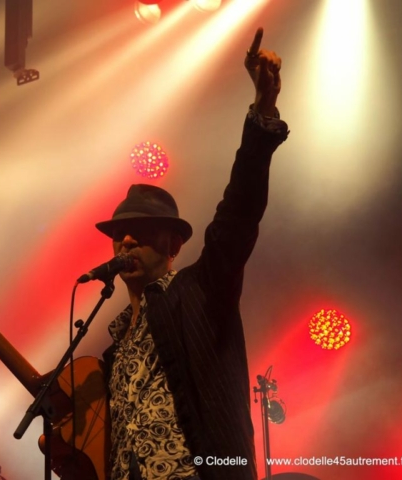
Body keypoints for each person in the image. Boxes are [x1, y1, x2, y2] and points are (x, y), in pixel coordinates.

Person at [96, 28, 289, 480]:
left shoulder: (199, 291)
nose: (125, 241)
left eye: (140, 232)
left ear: (173, 244)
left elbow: (238, 214)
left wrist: (262, 115)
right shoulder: (115, 342)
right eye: (120, 232)